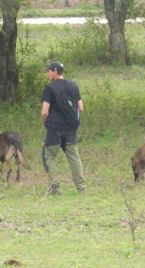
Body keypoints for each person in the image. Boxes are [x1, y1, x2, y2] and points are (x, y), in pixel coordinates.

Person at [41, 61, 85, 195]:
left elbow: (44, 111)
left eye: (49, 71)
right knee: (74, 157)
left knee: (48, 156)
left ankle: (55, 188)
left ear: (55, 71)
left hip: (55, 128)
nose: (48, 73)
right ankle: (81, 188)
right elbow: (81, 108)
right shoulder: (73, 85)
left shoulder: (49, 88)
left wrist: (44, 122)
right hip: (71, 128)